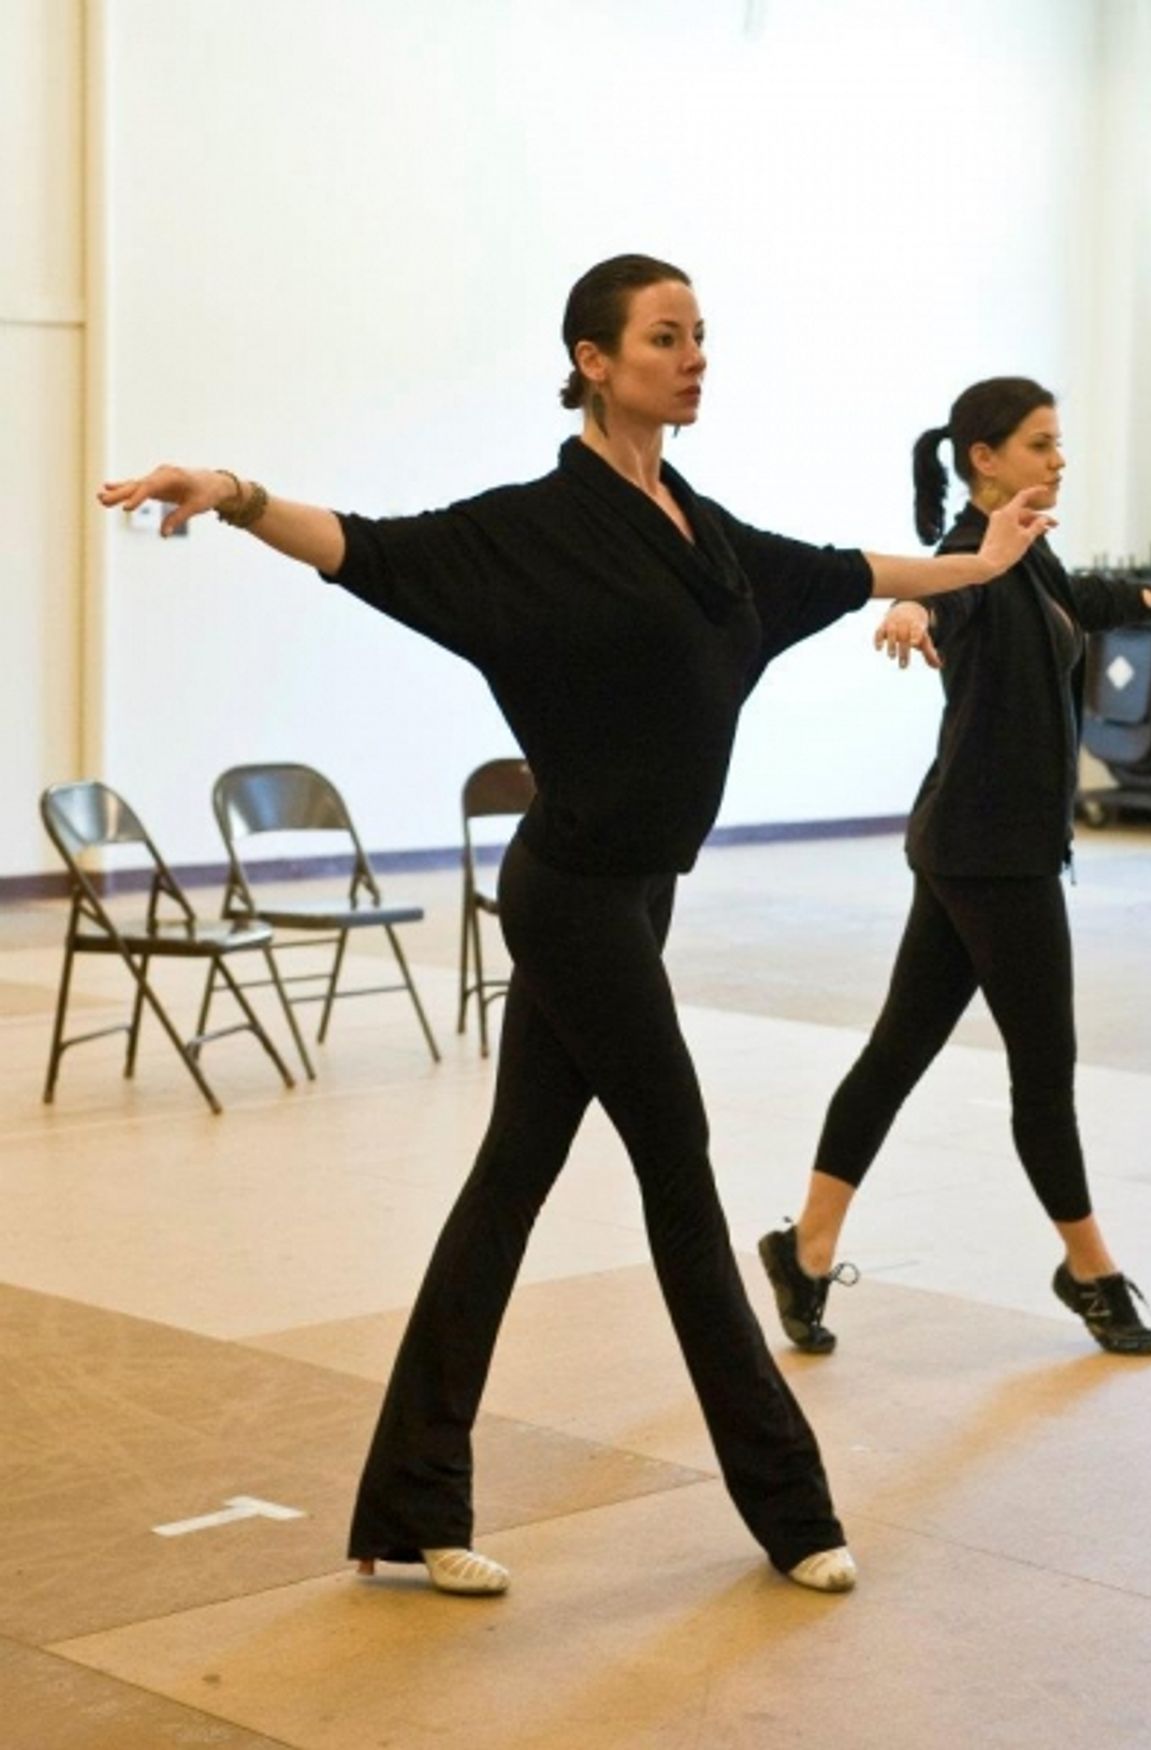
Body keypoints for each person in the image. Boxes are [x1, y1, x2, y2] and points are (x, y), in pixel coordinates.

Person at [98, 261, 1051, 1599]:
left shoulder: (703, 534)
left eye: (703, 335)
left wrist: (975, 562)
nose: (695, 356)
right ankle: (792, 1507)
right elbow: (374, 545)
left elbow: (836, 569)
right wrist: (239, 494)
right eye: (667, 338)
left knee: (509, 1180)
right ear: (594, 359)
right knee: (680, 1160)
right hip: (573, 896)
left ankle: (413, 1503)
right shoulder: (535, 531)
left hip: (637, 893)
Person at [760, 377, 1151, 1362]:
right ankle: (1089, 1272)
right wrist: (908, 610)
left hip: (978, 847)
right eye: (1039, 443)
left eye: (1057, 441)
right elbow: (933, 596)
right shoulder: (966, 559)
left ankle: (805, 1248)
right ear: (983, 458)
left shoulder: (1027, 557)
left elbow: (1090, 601)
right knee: (1043, 1078)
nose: (1058, 457)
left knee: (896, 1053)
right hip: (992, 858)